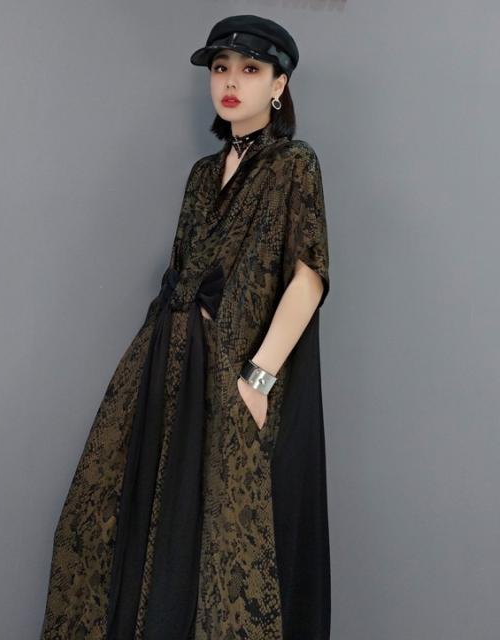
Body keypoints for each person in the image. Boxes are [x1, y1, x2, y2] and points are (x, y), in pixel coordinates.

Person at [39, 14, 331, 640]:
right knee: (144, 517)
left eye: (249, 69)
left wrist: (258, 379)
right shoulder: (202, 174)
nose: (231, 82)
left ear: (279, 84)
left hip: (238, 374)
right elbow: (183, 270)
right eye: (220, 69)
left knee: (231, 534)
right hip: (175, 363)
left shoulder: (293, 164)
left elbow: (308, 278)